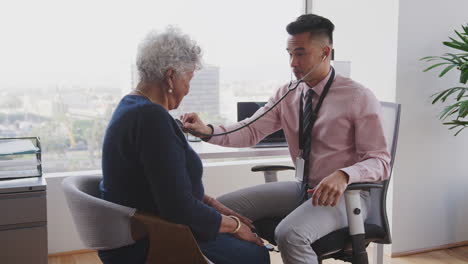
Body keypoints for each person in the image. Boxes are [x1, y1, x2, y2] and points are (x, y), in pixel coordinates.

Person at [181, 14, 391, 264]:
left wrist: (344, 174)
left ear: (325, 52)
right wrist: (207, 131)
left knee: (289, 234)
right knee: (219, 209)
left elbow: (380, 161)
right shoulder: (289, 93)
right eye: (289, 54)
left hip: (346, 196)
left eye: (300, 54)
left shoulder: (358, 96)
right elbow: (251, 130)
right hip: (303, 187)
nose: (293, 63)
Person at [99, 26, 270, 264]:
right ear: (170, 77)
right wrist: (236, 225)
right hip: (155, 239)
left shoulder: (131, 106)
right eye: (188, 79)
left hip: (138, 231)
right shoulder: (152, 119)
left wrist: (215, 205)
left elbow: (166, 186)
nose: (188, 89)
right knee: (256, 254)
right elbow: (178, 208)